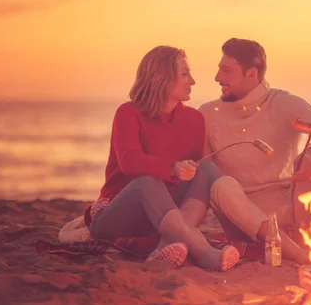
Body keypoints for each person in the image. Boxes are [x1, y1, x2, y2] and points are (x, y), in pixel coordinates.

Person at [198, 38, 311, 263]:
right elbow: (206, 172)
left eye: (226, 70)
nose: (218, 78)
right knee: (219, 184)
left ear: (252, 74)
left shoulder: (283, 104)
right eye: (219, 69)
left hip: (291, 207)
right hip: (243, 217)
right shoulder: (208, 114)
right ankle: (302, 257)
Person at [84, 46, 240, 271]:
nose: (193, 81)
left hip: (164, 213)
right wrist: (173, 168)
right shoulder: (128, 113)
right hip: (117, 215)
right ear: (163, 78)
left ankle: (164, 247)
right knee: (148, 182)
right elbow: (129, 163)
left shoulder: (194, 119)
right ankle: (205, 253)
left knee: (206, 169)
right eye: (185, 74)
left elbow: (194, 179)